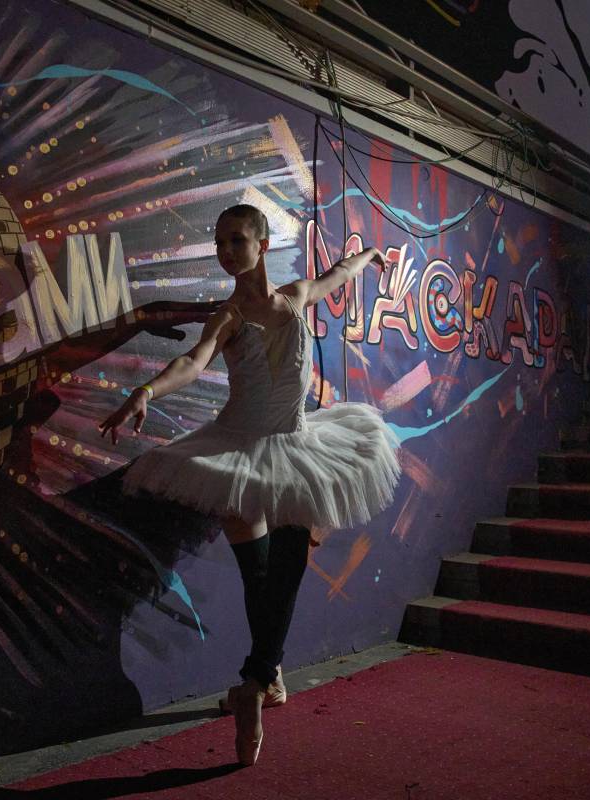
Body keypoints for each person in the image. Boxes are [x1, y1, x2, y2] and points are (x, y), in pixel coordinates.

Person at [97, 204, 401, 766]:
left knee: (280, 578)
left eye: (235, 240)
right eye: (219, 243)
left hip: (298, 447)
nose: (225, 252)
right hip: (237, 451)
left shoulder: (297, 295)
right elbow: (193, 361)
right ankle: (260, 683)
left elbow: (338, 274)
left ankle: (258, 683)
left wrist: (369, 255)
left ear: (263, 245)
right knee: (263, 580)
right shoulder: (229, 315)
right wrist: (146, 392)